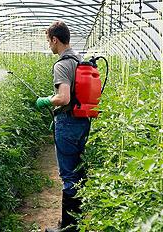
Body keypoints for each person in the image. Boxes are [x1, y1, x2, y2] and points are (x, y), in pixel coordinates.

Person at [36, 21, 90, 232]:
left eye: (48, 41)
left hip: (68, 123)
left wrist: (46, 101)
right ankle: (75, 220)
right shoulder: (79, 59)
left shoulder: (62, 64)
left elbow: (64, 97)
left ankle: (69, 226)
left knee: (68, 175)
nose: (49, 45)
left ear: (55, 39)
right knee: (78, 171)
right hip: (82, 121)